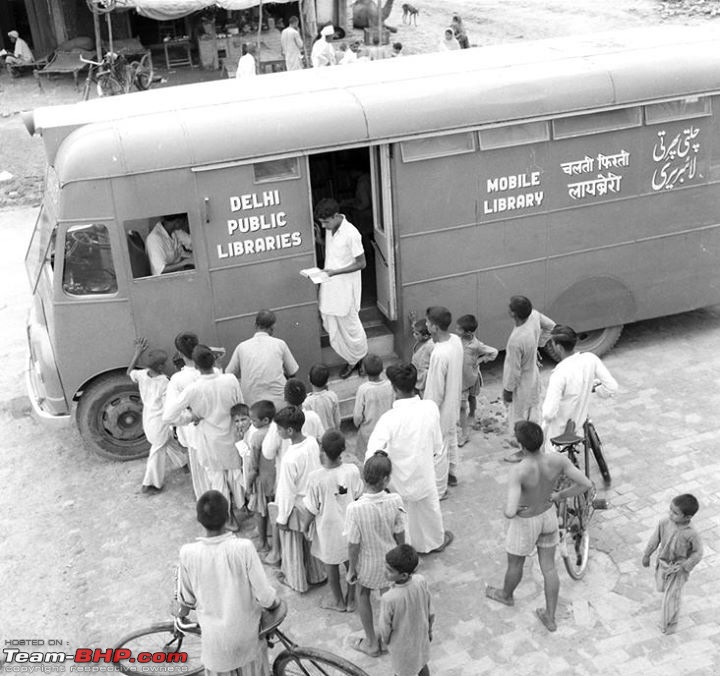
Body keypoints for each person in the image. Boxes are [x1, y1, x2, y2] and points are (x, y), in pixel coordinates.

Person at [485, 421, 592, 633]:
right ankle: (550, 617)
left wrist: (512, 510)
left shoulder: (519, 471)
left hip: (526, 521)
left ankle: (506, 595)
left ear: (521, 446)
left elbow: (509, 511)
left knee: (515, 563)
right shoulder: (557, 461)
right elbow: (585, 484)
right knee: (549, 568)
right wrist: (560, 496)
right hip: (548, 515)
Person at [176, 490, 280, 675]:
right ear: (227, 518)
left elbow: (186, 600)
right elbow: (265, 596)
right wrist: (275, 603)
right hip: (247, 638)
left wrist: (181, 613)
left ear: (199, 519)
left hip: (216, 646)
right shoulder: (243, 548)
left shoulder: (188, 553)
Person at [368, 363, 452, 554]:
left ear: (394, 389)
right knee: (429, 512)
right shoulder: (430, 408)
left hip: (397, 483)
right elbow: (437, 446)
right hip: (424, 476)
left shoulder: (388, 419)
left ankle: (406, 551)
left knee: (403, 519)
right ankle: (434, 543)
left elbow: (371, 456)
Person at [164, 345, 244, 525]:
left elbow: (168, 415)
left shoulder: (193, 389)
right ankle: (243, 504)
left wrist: (190, 416)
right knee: (236, 473)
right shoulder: (230, 379)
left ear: (196, 367)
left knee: (217, 481)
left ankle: (229, 517)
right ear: (214, 361)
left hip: (208, 440)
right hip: (231, 435)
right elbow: (240, 405)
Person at [345, 451, 406, 657]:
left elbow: (353, 544)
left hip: (367, 564)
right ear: (387, 479)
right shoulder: (395, 500)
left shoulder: (354, 509)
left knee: (362, 594)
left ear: (364, 478)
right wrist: (403, 562)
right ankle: (389, 639)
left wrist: (352, 569)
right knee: (387, 599)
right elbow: (400, 533)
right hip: (391, 562)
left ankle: (372, 642)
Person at [303, 430, 364, 612]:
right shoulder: (352, 470)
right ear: (343, 450)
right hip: (350, 526)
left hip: (327, 530)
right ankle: (351, 599)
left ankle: (338, 601)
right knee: (351, 563)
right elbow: (359, 496)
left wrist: (306, 527)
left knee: (331, 565)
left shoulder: (315, 478)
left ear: (321, 450)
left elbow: (311, 508)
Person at [273, 405, 326, 592]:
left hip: (298, 503)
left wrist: (282, 518)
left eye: (279, 428)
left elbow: (287, 491)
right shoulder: (311, 442)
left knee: (292, 544)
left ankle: (295, 580)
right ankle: (318, 574)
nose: (277, 432)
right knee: (312, 539)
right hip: (313, 500)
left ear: (289, 430)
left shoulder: (290, 458)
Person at [314, 198, 368, 378]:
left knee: (351, 327)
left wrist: (335, 272)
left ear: (336, 216)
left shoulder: (352, 234)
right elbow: (335, 253)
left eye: (325, 222)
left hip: (345, 288)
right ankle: (354, 358)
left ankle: (358, 359)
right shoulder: (330, 230)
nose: (323, 226)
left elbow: (361, 263)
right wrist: (320, 240)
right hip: (330, 286)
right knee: (330, 319)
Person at [541, 325, 618, 449]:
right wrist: (598, 390)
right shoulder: (590, 359)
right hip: (579, 425)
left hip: (558, 433)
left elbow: (549, 413)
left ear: (558, 347)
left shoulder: (559, 374)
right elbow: (612, 387)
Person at [126, 337, 187, 494]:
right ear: (161, 366)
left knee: (167, 441)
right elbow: (170, 403)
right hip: (160, 420)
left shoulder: (142, 374)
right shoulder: (164, 382)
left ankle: (183, 463)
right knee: (158, 449)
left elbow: (129, 372)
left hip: (148, 418)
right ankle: (150, 483)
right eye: (164, 363)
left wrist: (137, 353)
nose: (166, 365)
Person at [502, 295, 555, 462]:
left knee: (519, 419)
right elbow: (551, 327)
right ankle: (535, 445)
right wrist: (538, 346)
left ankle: (524, 451)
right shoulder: (534, 316)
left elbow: (513, 371)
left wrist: (508, 391)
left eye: (509, 307)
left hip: (522, 384)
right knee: (533, 412)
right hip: (534, 376)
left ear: (513, 314)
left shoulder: (516, 340)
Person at [642, 493, 703, 634]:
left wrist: (686, 565)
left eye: (675, 513)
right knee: (662, 587)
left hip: (678, 569)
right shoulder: (664, 523)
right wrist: (647, 555)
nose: (670, 514)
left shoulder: (692, 534)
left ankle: (670, 624)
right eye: (670, 510)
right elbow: (654, 539)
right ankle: (670, 609)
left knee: (671, 596)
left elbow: (698, 552)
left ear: (687, 517)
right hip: (663, 564)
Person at [423, 306, 464, 494]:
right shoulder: (455, 340)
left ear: (434, 327)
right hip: (453, 401)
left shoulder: (439, 355)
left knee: (438, 448)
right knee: (451, 437)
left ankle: (440, 490)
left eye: (427, 323)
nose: (425, 325)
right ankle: (453, 473)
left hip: (440, 409)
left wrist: (427, 413)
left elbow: (435, 392)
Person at [225, 309, 299, 411]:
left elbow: (228, 374)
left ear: (255, 325)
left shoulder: (241, 347)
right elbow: (293, 372)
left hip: (252, 407)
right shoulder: (280, 344)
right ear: (273, 327)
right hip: (279, 405)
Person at [378, 544, 434, 676]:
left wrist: (385, 641)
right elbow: (430, 608)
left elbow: (385, 626)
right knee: (421, 664)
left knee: (401, 671)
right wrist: (429, 630)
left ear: (403, 575)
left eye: (389, 570)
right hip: (421, 636)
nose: (384, 572)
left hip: (402, 645)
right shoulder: (421, 581)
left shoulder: (388, 598)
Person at [456, 314, 498, 447]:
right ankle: (465, 434)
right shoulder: (456, 340)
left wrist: (479, 360)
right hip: (460, 380)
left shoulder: (476, 345)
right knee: (462, 407)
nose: (457, 331)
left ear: (467, 332)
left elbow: (494, 352)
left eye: (459, 329)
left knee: (472, 398)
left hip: (472, 377)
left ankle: (472, 413)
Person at [242, 400, 277, 552]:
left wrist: (248, 484)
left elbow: (254, 466)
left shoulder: (257, 437)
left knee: (260, 513)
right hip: (276, 479)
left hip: (261, 481)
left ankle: (263, 543)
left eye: (254, 420)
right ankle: (277, 543)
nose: (252, 422)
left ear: (265, 420)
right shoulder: (278, 431)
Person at [352, 353, 394, 457]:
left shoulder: (364, 389)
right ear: (381, 369)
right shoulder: (390, 385)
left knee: (368, 456)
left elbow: (358, 415)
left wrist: (357, 424)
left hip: (368, 431)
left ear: (364, 370)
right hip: (387, 429)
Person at [304, 363, 341, 431]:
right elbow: (337, 420)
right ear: (327, 381)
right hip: (332, 434)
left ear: (309, 378)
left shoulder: (307, 402)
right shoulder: (332, 396)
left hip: (318, 438)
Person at [411, 320, 434, 397]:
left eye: (416, 334)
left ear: (426, 336)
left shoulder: (430, 346)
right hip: (416, 377)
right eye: (413, 332)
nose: (414, 335)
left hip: (423, 382)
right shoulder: (421, 341)